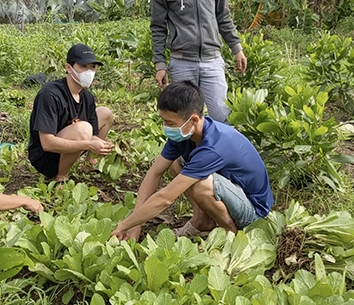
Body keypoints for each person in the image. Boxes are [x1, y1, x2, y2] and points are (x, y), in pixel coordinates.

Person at [111, 81, 273, 241]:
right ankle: (202, 221)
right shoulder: (185, 134)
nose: (166, 127)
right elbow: (155, 172)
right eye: (164, 121)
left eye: (170, 123)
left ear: (194, 120)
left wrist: (123, 225)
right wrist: (135, 224)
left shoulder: (214, 146)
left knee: (201, 185)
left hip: (253, 210)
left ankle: (231, 234)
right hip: (231, 191)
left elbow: (166, 197)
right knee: (177, 164)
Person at [151, 0, 247, 123]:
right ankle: (188, 144)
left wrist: (237, 48)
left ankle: (215, 144)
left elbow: (223, 16)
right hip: (181, 61)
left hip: (212, 60)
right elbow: (158, 26)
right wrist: (160, 64)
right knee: (184, 118)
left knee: (221, 116)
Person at [28, 43, 114, 182]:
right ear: (69, 68)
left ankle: (89, 164)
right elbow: (47, 143)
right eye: (83, 66)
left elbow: (93, 136)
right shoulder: (50, 95)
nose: (89, 72)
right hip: (46, 157)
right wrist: (89, 144)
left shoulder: (87, 97)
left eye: (92, 67)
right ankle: (60, 176)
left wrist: (108, 146)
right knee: (84, 129)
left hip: (71, 144)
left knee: (105, 113)